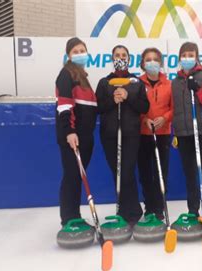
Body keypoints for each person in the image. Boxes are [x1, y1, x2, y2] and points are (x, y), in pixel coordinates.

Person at [95, 45, 149, 226]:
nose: (120, 57)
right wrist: (112, 100)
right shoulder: (104, 82)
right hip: (109, 135)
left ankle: (132, 212)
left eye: (123, 55)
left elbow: (144, 107)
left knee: (126, 172)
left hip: (131, 135)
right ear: (112, 58)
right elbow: (99, 107)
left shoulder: (136, 82)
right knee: (116, 173)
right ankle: (123, 211)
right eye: (117, 55)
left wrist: (128, 97)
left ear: (128, 59)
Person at [55, 37, 97, 246]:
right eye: (76, 51)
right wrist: (69, 131)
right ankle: (68, 219)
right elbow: (64, 106)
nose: (80, 53)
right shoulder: (66, 75)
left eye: (83, 50)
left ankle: (75, 216)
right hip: (74, 138)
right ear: (69, 55)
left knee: (77, 177)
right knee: (71, 176)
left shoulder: (83, 78)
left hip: (86, 138)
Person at [171, 42, 202, 220]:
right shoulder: (174, 82)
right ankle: (193, 209)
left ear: (197, 57)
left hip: (201, 131)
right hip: (182, 133)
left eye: (191, 55)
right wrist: (174, 131)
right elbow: (174, 108)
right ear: (180, 58)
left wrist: (196, 89)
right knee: (189, 172)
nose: (187, 58)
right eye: (184, 55)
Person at [137, 47, 173, 220]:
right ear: (143, 63)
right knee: (145, 172)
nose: (152, 62)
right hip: (143, 134)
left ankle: (159, 208)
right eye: (148, 59)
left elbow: (174, 109)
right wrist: (144, 120)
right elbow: (135, 109)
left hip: (163, 133)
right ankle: (149, 207)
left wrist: (165, 118)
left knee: (160, 171)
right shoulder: (136, 83)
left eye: (155, 59)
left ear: (160, 62)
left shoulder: (169, 84)